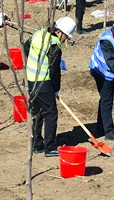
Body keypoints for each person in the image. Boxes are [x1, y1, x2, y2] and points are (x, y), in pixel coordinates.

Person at [25, 16, 75, 157]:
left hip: (31, 80)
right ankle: (50, 148)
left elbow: (26, 47)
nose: (65, 40)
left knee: (37, 113)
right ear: (59, 32)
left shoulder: (38, 33)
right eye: (66, 36)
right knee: (51, 114)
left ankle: (37, 145)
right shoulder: (54, 45)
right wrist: (55, 89)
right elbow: (54, 71)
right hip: (44, 83)